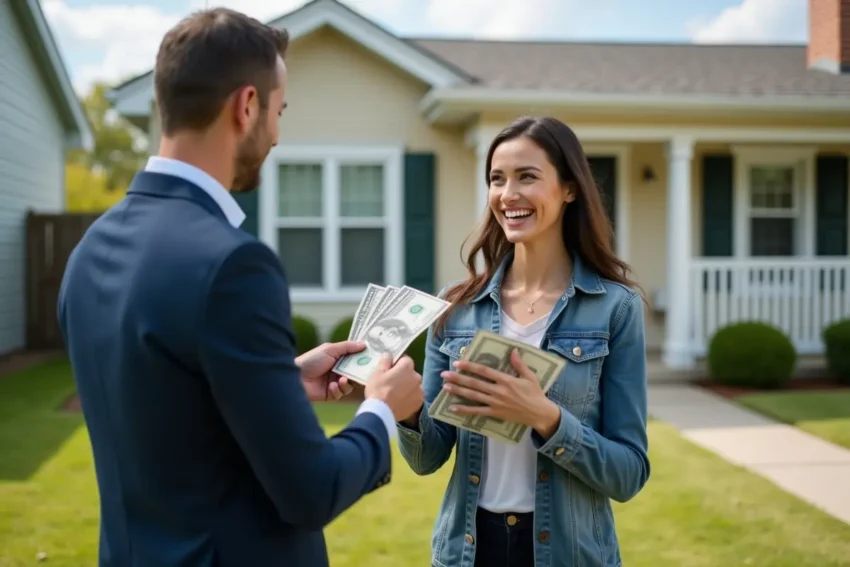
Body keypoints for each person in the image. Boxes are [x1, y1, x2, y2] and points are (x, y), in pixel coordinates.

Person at [57, 8, 423, 567]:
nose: (277, 134)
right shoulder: (232, 264)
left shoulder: (90, 249)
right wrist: (380, 408)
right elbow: (312, 489)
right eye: (279, 111)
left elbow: (161, 403)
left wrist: (279, 380)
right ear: (246, 106)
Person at [396, 116, 650, 567]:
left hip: (569, 554)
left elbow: (628, 474)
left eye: (527, 177)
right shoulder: (456, 307)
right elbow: (427, 458)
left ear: (569, 188)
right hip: (468, 551)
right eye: (497, 179)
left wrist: (545, 418)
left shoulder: (615, 309)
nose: (508, 194)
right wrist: (407, 409)